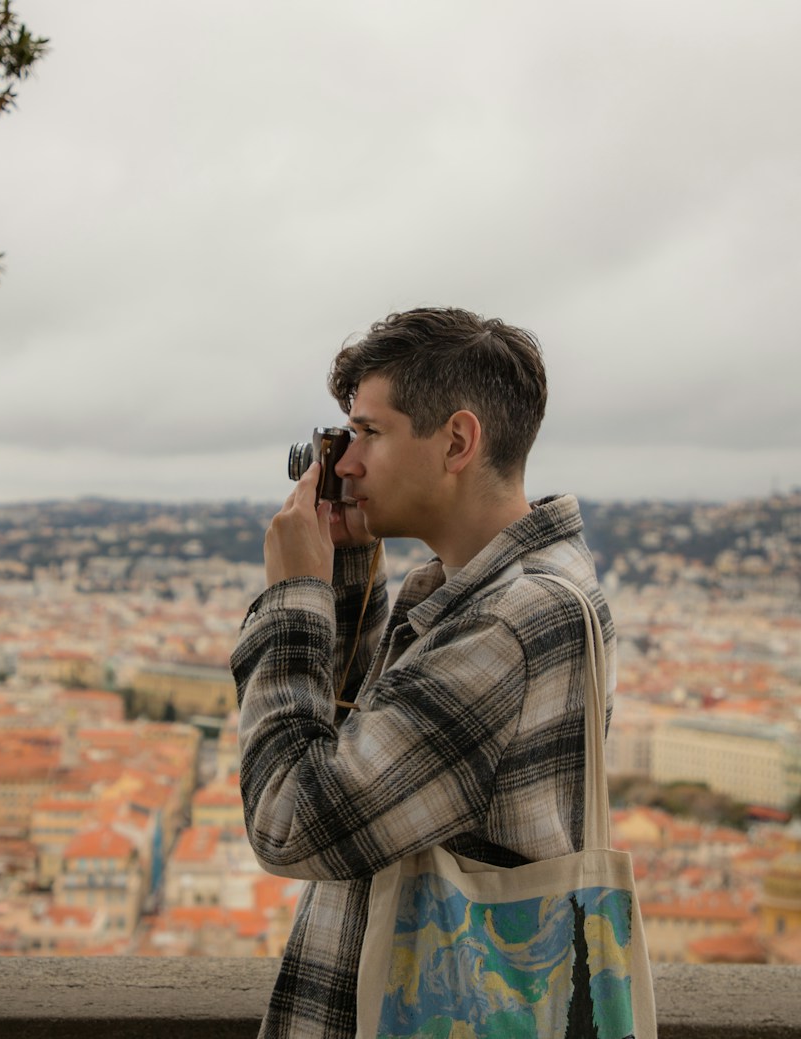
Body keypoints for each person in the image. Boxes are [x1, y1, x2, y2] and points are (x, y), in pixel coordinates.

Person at [231, 306, 618, 1039]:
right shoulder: (487, 594)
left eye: (369, 433)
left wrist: (294, 598)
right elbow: (353, 747)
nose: (345, 463)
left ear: (458, 442)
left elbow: (291, 820)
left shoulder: (511, 623)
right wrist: (345, 567)